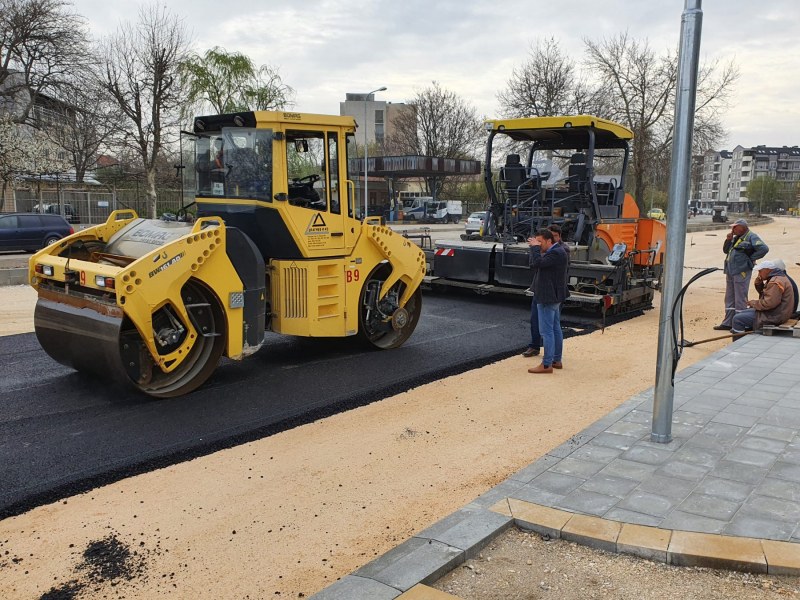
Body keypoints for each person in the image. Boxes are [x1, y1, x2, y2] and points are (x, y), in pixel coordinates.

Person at [522, 224, 570, 358]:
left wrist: (535, 248)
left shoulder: (558, 251)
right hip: (544, 292)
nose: (539, 244)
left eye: (541, 241)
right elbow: (534, 264)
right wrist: (536, 249)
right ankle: (553, 357)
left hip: (549, 294)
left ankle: (548, 361)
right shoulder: (553, 251)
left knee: (547, 330)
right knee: (550, 326)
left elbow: (537, 264)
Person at [713, 218, 768, 331]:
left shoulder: (751, 236)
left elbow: (764, 249)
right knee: (729, 297)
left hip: (741, 271)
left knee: (740, 298)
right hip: (731, 270)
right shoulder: (736, 238)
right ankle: (728, 322)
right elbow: (726, 251)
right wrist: (728, 240)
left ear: (742, 227)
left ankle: (740, 323)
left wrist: (749, 259)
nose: (733, 229)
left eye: (735, 227)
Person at [731, 260, 796, 333]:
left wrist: (754, 303)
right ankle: (741, 331)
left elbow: (769, 303)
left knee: (737, 318)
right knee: (743, 313)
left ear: (767, 270)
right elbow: (766, 294)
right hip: (778, 313)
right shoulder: (777, 277)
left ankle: (738, 342)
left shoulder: (775, 282)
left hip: (775, 316)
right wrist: (759, 282)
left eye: (760, 271)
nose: (759, 274)